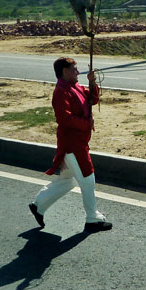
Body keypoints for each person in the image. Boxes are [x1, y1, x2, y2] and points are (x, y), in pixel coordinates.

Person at [29, 57, 112, 233]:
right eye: (74, 69)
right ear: (65, 72)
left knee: (67, 181)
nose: (78, 72)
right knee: (87, 179)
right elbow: (64, 119)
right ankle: (92, 218)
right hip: (73, 144)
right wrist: (86, 124)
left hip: (78, 142)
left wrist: (92, 83)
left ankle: (38, 205)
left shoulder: (76, 87)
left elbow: (92, 100)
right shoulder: (61, 92)